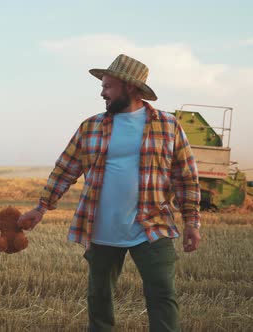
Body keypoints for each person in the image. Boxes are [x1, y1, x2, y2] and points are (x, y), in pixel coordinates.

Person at [18, 54, 201, 331]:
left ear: (129, 87)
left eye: (107, 86)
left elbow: (186, 177)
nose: (101, 92)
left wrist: (192, 223)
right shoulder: (91, 126)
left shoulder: (168, 125)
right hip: (101, 227)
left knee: (162, 294)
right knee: (99, 298)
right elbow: (65, 169)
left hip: (153, 224)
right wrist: (42, 207)